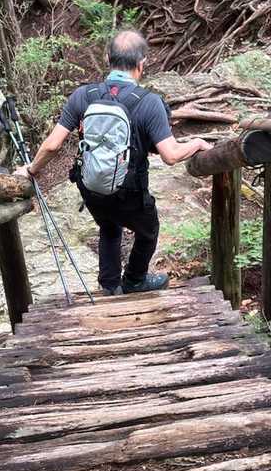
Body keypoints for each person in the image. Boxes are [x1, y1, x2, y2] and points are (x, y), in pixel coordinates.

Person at [15, 28, 211, 294]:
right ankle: (134, 280)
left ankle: (109, 286)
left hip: (92, 188)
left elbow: (52, 145)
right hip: (129, 192)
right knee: (148, 230)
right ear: (142, 63)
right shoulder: (150, 103)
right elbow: (171, 155)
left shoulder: (83, 95)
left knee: (108, 226)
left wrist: (31, 170)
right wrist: (197, 143)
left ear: (107, 58)